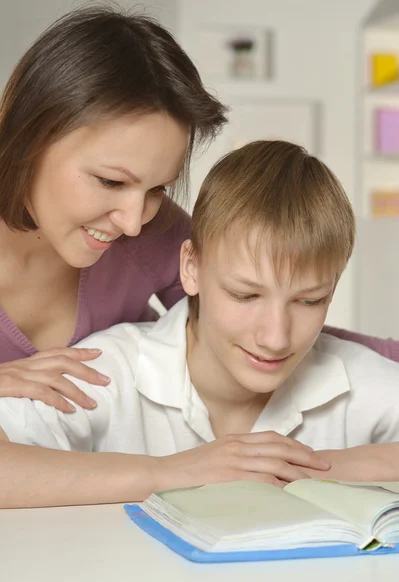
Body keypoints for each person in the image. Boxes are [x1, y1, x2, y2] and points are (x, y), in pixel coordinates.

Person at [1, 139, 399, 509]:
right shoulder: (106, 372)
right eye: (245, 295)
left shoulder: (356, 375)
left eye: (310, 301)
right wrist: (176, 472)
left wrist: (297, 470)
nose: (275, 338)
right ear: (190, 267)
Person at [0, 5, 226, 411]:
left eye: (157, 188)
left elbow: (258, 320)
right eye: (111, 181)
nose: (134, 223)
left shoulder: (162, 236)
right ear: (29, 138)